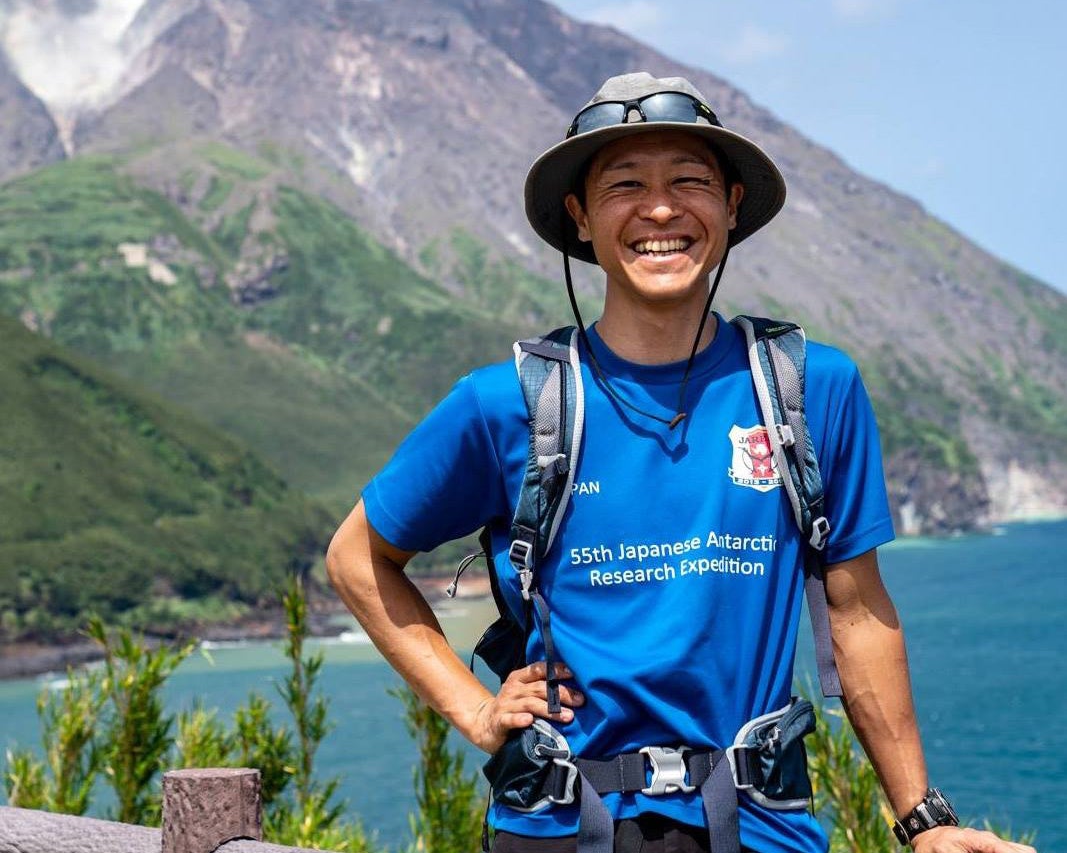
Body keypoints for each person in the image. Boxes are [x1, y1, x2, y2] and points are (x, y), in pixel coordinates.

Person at [326, 73, 1036, 853]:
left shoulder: (810, 387)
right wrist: (474, 709)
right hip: (561, 826)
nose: (660, 210)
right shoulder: (503, 403)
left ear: (731, 205)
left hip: (759, 828)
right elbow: (358, 557)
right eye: (625, 184)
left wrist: (924, 823)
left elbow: (856, 610)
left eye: (688, 181)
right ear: (580, 215)